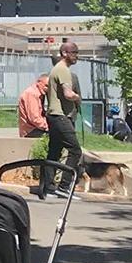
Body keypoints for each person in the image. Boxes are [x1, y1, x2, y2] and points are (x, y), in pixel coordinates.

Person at [42, 41, 83, 198]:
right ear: (64, 53)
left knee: (54, 152)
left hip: (53, 116)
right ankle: (64, 187)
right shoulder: (63, 70)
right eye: (73, 52)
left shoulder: (56, 69)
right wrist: (77, 97)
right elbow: (68, 94)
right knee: (75, 151)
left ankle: (48, 187)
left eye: (77, 52)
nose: (76, 56)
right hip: (60, 116)